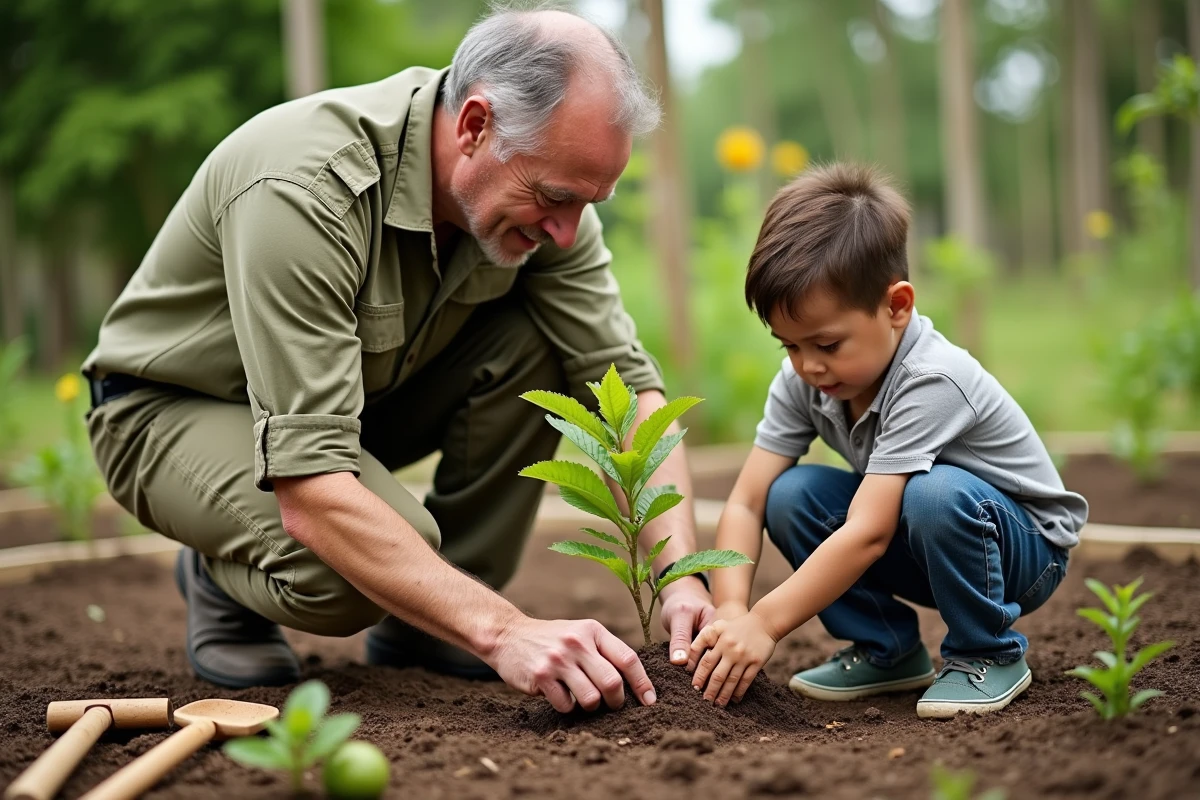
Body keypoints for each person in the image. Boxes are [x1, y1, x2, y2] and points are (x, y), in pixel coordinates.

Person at [81, 7, 717, 713]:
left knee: (546, 349)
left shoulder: (538, 185)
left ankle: (436, 623)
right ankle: (220, 575)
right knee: (343, 574)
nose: (567, 233)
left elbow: (624, 388)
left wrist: (682, 577)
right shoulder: (307, 187)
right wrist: (506, 632)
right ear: (475, 126)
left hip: (346, 408)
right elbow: (313, 483)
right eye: (556, 199)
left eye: (588, 202)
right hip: (169, 411)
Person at [686, 163, 1088, 718]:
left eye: (826, 343)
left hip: (1021, 551)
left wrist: (765, 622)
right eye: (789, 347)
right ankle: (888, 650)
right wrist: (730, 605)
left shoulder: (930, 379)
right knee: (791, 492)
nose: (808, 366)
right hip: (928, 539)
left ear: (897, 307)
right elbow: (747, 499)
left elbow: (871, 532)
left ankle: (986, 652)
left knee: (933, 491)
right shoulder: (806, 380)